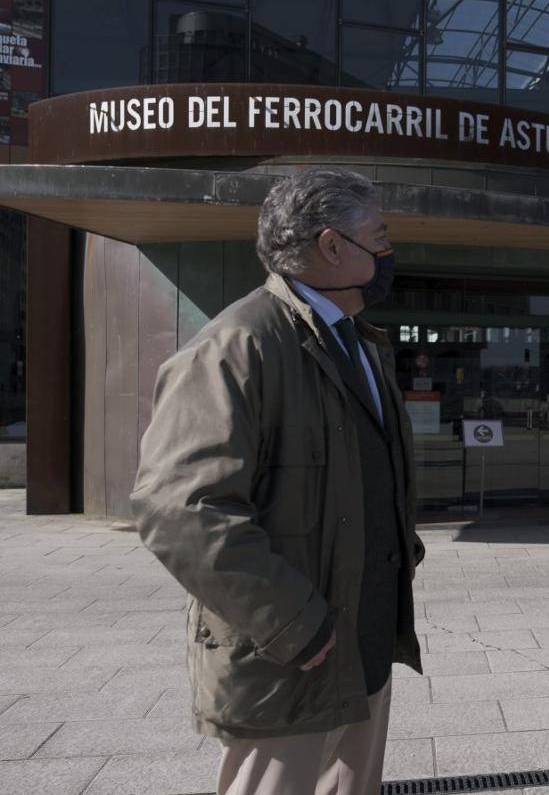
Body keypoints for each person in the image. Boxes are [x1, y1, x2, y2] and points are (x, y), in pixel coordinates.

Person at [131, 167, 424, 795]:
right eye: (380, 234)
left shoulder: (361, 344)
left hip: (362, 643)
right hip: (288, 654)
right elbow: (179, 507)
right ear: (332, 246)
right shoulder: (239, 345)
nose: (389, 249)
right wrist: (294, 621)